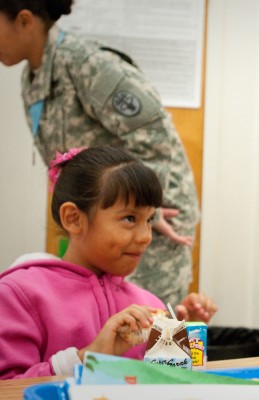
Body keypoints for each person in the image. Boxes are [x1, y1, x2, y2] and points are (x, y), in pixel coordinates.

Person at [0, 0, 199, 306]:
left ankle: (187, 335)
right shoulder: (32, 78)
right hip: (98, 218)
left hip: (145, 214)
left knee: (157, 325)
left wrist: (148, 211)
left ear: (25, 21)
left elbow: (155, 133)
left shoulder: (87, 64)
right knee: (102, 317)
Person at [0, 146, 217, 380]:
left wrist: (185, 337)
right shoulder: (19, 295)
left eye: (150, 219)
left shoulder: (147, 303)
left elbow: (167, 384)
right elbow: (7, 387)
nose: (146, 236)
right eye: (130, 218)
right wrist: (86, 358)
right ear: (73, 219)